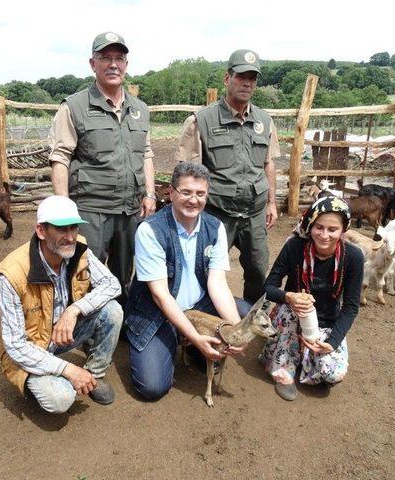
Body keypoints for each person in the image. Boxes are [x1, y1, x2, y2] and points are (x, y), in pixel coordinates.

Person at [124, 162, 250, 400]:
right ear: (170, 193)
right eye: (186, 192)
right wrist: (194, 335)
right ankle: (180, 340)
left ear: (207, 195)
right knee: (151, 388)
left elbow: (217, 283)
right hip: (157, 311)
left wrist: (236, 331)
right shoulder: (151, 230)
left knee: (242, 314)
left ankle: (193, 349)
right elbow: (160, 296)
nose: (194, 200)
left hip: (198, 304)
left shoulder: (215, 227)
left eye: (200, 194)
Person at [48, 31, 156, 306]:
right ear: (92, 63)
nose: (113, 64)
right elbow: (60, 156)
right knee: (83, 271)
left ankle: (116, 324)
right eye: (105, 58)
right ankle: (82, 328)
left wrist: (150, 194)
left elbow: (145, 153)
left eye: (119, 58)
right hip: (91, 209)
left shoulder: (140, 109)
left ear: (126, 65)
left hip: (129, 209)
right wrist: (63, 209)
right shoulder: (75, 106)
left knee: (124, 273)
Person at [0, 195, 123, 414]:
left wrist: (73, 310)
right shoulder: (12, 275)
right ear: (41, 231)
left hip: (62, 334)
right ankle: (53, 379)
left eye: (74, 228)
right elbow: (15, 345)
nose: (70, 237)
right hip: (32, 348)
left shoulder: (78, 250)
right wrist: (69, 369)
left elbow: (112, 284)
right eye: (62, 229)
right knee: (61, 399)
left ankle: (93, 376)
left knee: (112, 311)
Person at [174, 49, 281, 305]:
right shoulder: (201, 121)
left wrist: (271, 203)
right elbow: (187, 173)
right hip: (216, 213)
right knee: (205, 269)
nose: (247, 83)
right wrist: (190, 212)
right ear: (227, 78)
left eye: (252, 78)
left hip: (254, 213)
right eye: (241, 76)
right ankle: (200, 320)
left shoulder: (264, 121)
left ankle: (254, 323)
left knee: (257, 270)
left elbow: (269, 164)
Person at [259, 197, 364, 401]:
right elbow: (269, 287)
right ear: (310, 224)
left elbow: (351, 307)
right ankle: (285, 371)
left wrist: (332, 342)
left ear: (343, 230)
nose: (324, 235)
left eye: (332, 229)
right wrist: (288, 296)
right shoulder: (295, 247)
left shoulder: (353, 257)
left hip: (326, 322)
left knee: (331, 373)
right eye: (319, 227)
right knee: (290, 312)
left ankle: (305, 353)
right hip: (291, 316)